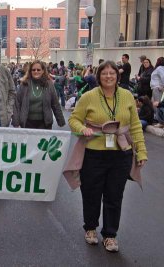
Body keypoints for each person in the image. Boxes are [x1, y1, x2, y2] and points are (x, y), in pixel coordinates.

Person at [67, 60, 147, 252]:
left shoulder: (127, 96)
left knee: (114, 196)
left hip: (121, 153)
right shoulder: (88, 96)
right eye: (104, 73)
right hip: (94, 154)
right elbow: (74, 119)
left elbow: (135, 126)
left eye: (112, 73)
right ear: (98, 76)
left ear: (117, 76)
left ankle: (110, 235)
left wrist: (141, 151)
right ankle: (91, 228)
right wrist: (82, 129)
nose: (108, 76)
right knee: (91, 193)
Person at [12, 60, 65, 129]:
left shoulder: (49, 84)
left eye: (38, 70)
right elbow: (17, 104)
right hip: (27, 123)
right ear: (30, 71)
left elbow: (55, 104)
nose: (36, 71)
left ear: (43, 71)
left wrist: (61, 121)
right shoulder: (24, 84)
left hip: (45, 123)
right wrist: (16, 122)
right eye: (33, 70)